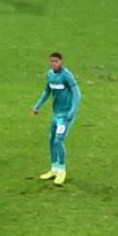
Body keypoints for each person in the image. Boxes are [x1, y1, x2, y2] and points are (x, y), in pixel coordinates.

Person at [32, 52, 81, 186]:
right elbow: (47, 92)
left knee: (59, 140)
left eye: (56, 61)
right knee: (51, 140)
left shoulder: (67, 75)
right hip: (56, 114)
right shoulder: (50, 75)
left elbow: (77, 94)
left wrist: (72, 111)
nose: (54, 64)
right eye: (52, 61)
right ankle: (54, 168)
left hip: (66, 115)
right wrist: (37, 106)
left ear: (61, 62)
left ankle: (62, 170)